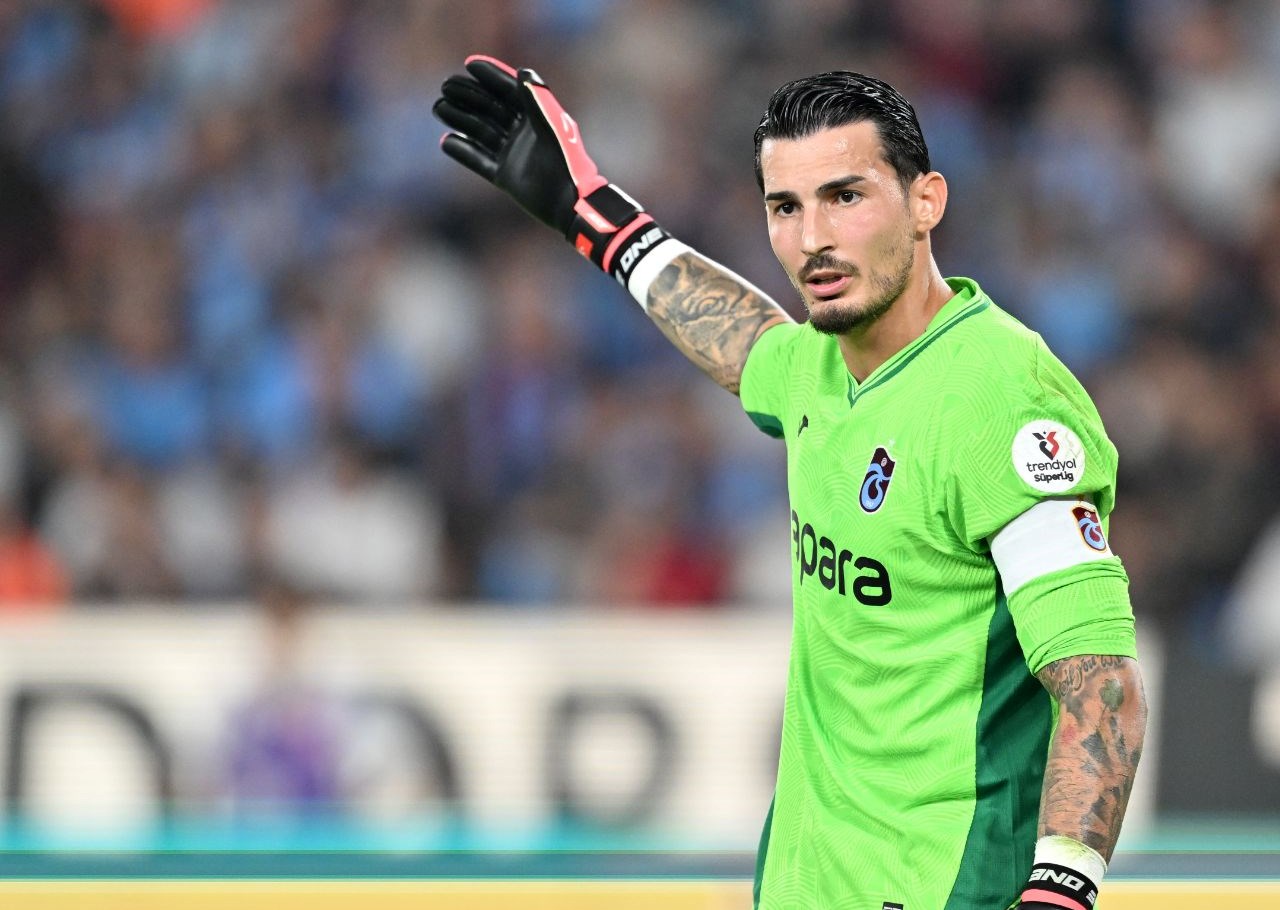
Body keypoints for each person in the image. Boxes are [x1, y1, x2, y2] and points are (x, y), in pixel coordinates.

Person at [434, 57, 1146, 910]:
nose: (813, 239)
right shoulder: (822, 362)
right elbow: (743, 343)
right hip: (804, 883)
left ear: (927, 201)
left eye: (845, 197)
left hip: (942, 886)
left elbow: (1100, 682)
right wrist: (587, 211)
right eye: (786, 207)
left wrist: (1061, 893)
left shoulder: (1002, 402)